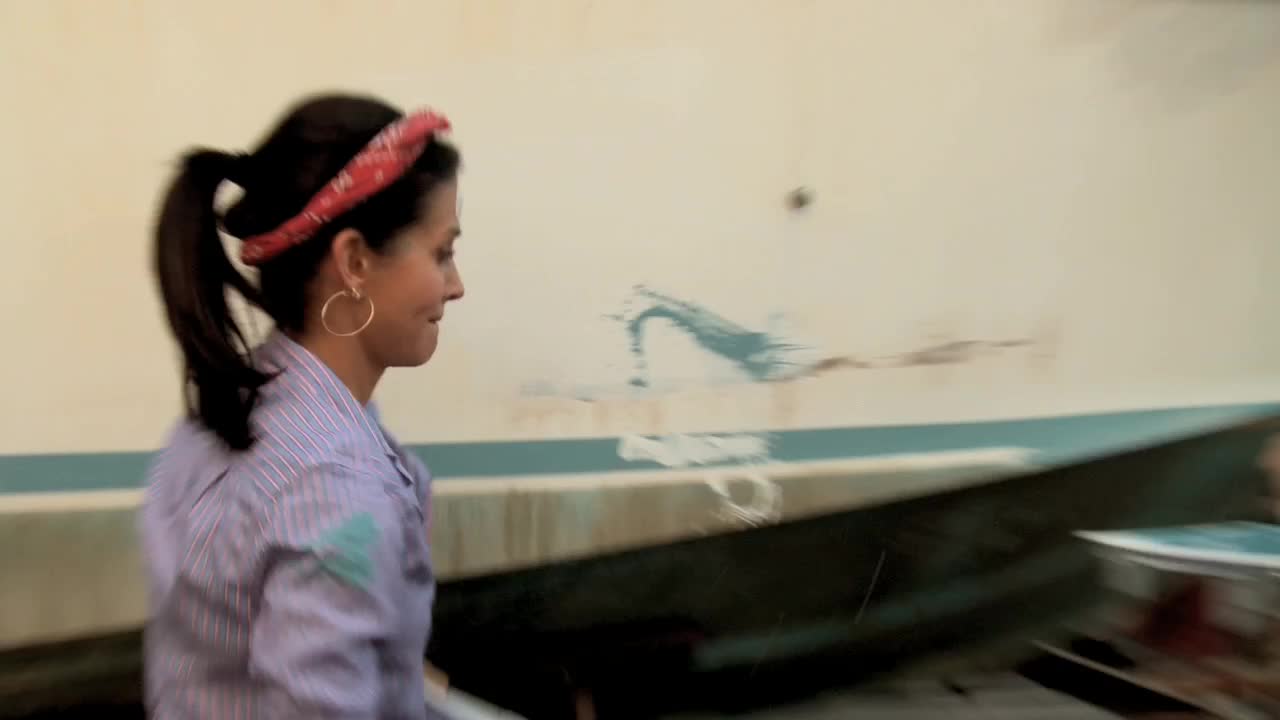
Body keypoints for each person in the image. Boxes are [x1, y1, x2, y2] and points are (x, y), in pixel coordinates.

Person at [142, 93, 465, 718]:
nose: (455, 286)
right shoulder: (333, 492)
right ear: (354, 261)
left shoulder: (230, 409)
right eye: (442, 253)